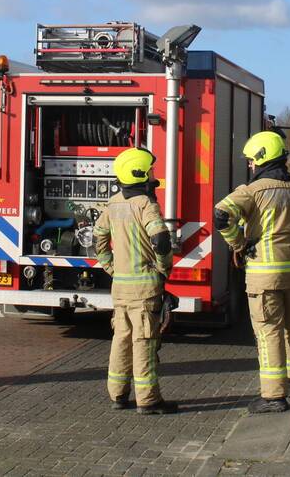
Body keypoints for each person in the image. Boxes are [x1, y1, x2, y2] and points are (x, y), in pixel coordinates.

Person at [214, 131, 290, 413]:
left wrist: (238, 244)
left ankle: (274, 396)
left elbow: (220, 215)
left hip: (264, 275)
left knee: (268, 333)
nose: (250, 166)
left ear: (261, 159)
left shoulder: (253, 190)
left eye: (252, 160)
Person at [93, 147, 178, 415]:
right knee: (144, 343)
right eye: (150, 171)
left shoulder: (114, 204)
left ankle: (118, 395)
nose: (153, 176)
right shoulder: (145, 205)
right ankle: (148, 400)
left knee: (121, 339)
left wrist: (110, 267)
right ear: (140, 174)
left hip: (120, 288)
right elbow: (161, 239)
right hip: (144, 289)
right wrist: (164, 268)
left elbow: (98, 238)